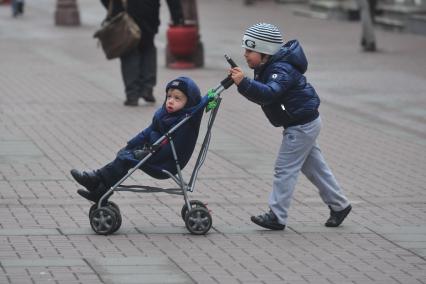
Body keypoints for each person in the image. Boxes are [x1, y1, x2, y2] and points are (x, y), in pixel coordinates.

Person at [229, 23, 352, 230]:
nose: (245, 55)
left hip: (301, 125)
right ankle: (340, 205)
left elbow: (269, 93)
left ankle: (277, 216)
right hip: (303, 122)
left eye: (250, 50)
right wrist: (245, 84)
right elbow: (263, 97)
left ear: (265, 51)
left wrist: (244, 83)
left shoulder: (281, 69)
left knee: (284, 169)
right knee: (315, 168)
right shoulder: (267, 66)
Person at [70, 77, 203, 203]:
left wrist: (147, 146)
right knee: (124, 155)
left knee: (125, 159)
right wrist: (131, 144)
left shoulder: (184, 122)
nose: (171, 101)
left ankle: (95, 181)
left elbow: (167, 146)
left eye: (177, 98)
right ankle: (99, 190)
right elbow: (147, 132)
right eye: (169, 96)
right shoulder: (164, 115)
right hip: (152, 152)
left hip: (164, 162)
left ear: (189, 102)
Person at [100, 0, 184, 106]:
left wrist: (114, 9)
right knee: (148, 48)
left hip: (125, 15)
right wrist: (177, 16)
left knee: (129, 53)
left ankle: (132, 94)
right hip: (149, 13)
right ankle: (147, 89)